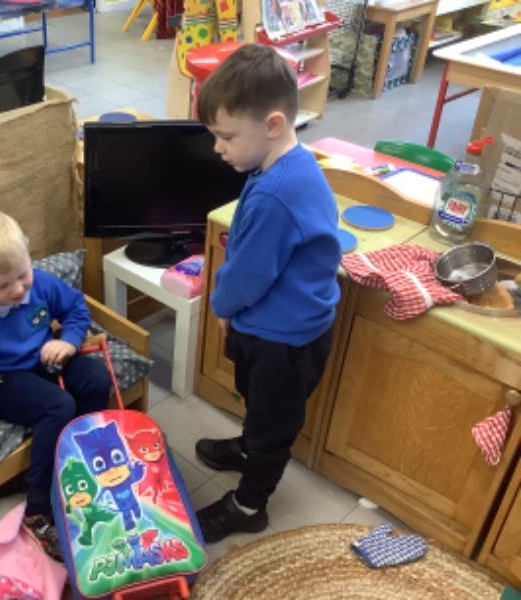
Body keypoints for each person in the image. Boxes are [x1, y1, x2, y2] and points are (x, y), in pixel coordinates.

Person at [193, 44, 342, 543]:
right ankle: (247, 446)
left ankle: (248, 505)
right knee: (261, 407)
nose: (218, 148)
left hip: (283, 338)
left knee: (273, 425)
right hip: (276, 325)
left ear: (273, 124)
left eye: (227, 136)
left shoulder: (278, 192)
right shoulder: (283, 166)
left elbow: (250, 274)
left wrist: (221, 305)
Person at [0, 208, 112, 561]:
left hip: (45, 357)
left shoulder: (40, 282)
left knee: (96, 378)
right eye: (1, 286)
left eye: (22, 275)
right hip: (2, 379)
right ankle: (38, 509)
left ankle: (86, 461)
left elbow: (76, 309)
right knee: (59, 406)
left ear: (27, 248)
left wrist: (69, 341)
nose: (17, 290)